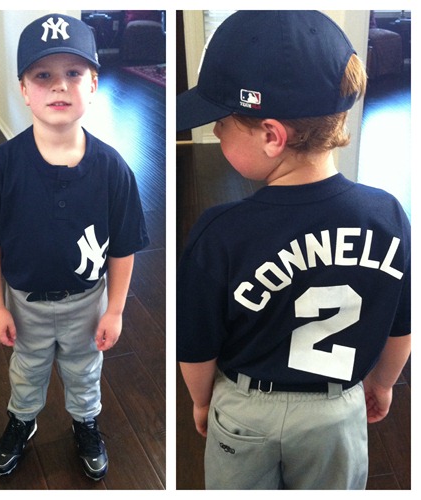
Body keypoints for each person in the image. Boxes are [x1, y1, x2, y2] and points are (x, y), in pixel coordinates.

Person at [176, 11, 410, 490]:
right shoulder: (387, 216)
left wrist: (201, 400)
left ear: (271, 136)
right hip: (337, 411)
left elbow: (196, 347)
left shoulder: (219, 232)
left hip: (247, 410)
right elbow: (402, 326)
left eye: (221, 122)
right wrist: (383, 383)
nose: (216, 132)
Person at [0, 13, 149, 480]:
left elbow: (123, 248)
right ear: (24, 90)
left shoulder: (114, 170)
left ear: (93, 84)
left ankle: (85, 423)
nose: (59, 85)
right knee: (27, 368)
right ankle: (22, 421)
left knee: (84, 368)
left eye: (73, 73)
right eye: (43, 75)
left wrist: (115, 310)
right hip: (24, 302)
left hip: (87, 300)